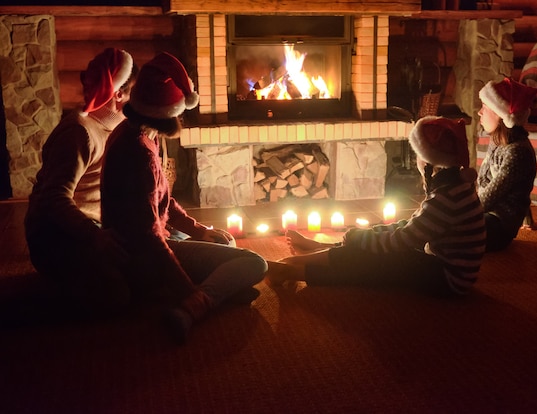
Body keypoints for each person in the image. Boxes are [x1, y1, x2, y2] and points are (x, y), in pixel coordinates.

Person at [100, 52, 267, 344]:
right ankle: (194, 306)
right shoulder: (139, 153)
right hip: (142, 257)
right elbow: (149, 236)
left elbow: (162, 202)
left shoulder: (135, 134)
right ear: (168, 112)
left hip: (149, 241)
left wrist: (200, 230)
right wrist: (188, 292)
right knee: (254, 263)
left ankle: (215, 288)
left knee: (223, 240)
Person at [266, 116, 486, 297]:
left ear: (429, 162)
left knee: (373, 264)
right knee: (370, 243)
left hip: (450, 279)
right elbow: (411, 227)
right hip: (441, 263)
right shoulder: (452, 186)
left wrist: (361, 239)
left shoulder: (446, 197)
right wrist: (364, 235)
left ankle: (294, 269)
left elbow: (403, 240)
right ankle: (317, 251)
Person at [24, 48, 138, 316]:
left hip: (97, 228)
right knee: (118, 296)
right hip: (57, 236)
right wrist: (95, 236)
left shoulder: (118, 128)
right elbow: (55, 198)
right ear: (119, 93)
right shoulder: (79, 132)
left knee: (162, 252)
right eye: (135, 89)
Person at [477, 77, 537, 252]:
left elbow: (488, 197)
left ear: (501, 115)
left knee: (449, 227)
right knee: (441, 221)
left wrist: (459, 211)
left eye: (485, 107)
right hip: (484, 215)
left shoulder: (517, 152)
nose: (479, 112)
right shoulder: (498, 142)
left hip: (498, 225)